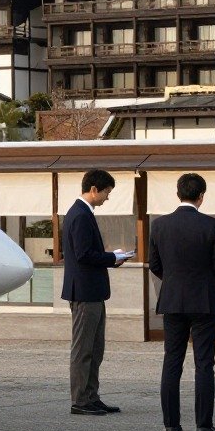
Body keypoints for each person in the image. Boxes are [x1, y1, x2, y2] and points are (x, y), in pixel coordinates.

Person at [148, 172, 215, 431]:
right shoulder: (210, 224)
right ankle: (204, 426)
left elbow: (155, 264)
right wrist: (202, 280)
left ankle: (171, 425)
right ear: (201, 196)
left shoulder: (159, 225)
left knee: (172, 361)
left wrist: (173, 280)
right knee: (204, 363)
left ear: (178, 194)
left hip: (172, 299)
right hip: (203, 300)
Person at [62, 168, 129, 416]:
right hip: (84, 293)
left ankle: (91, 396)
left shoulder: (82, 213)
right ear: (94, 189)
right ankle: (80, 400)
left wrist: (111, 257)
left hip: (92, 292)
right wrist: (112, 258)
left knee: (95, 348)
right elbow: (83, 255)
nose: (107, 197)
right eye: (106, 192)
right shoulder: (80, 215)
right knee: (83, 349)